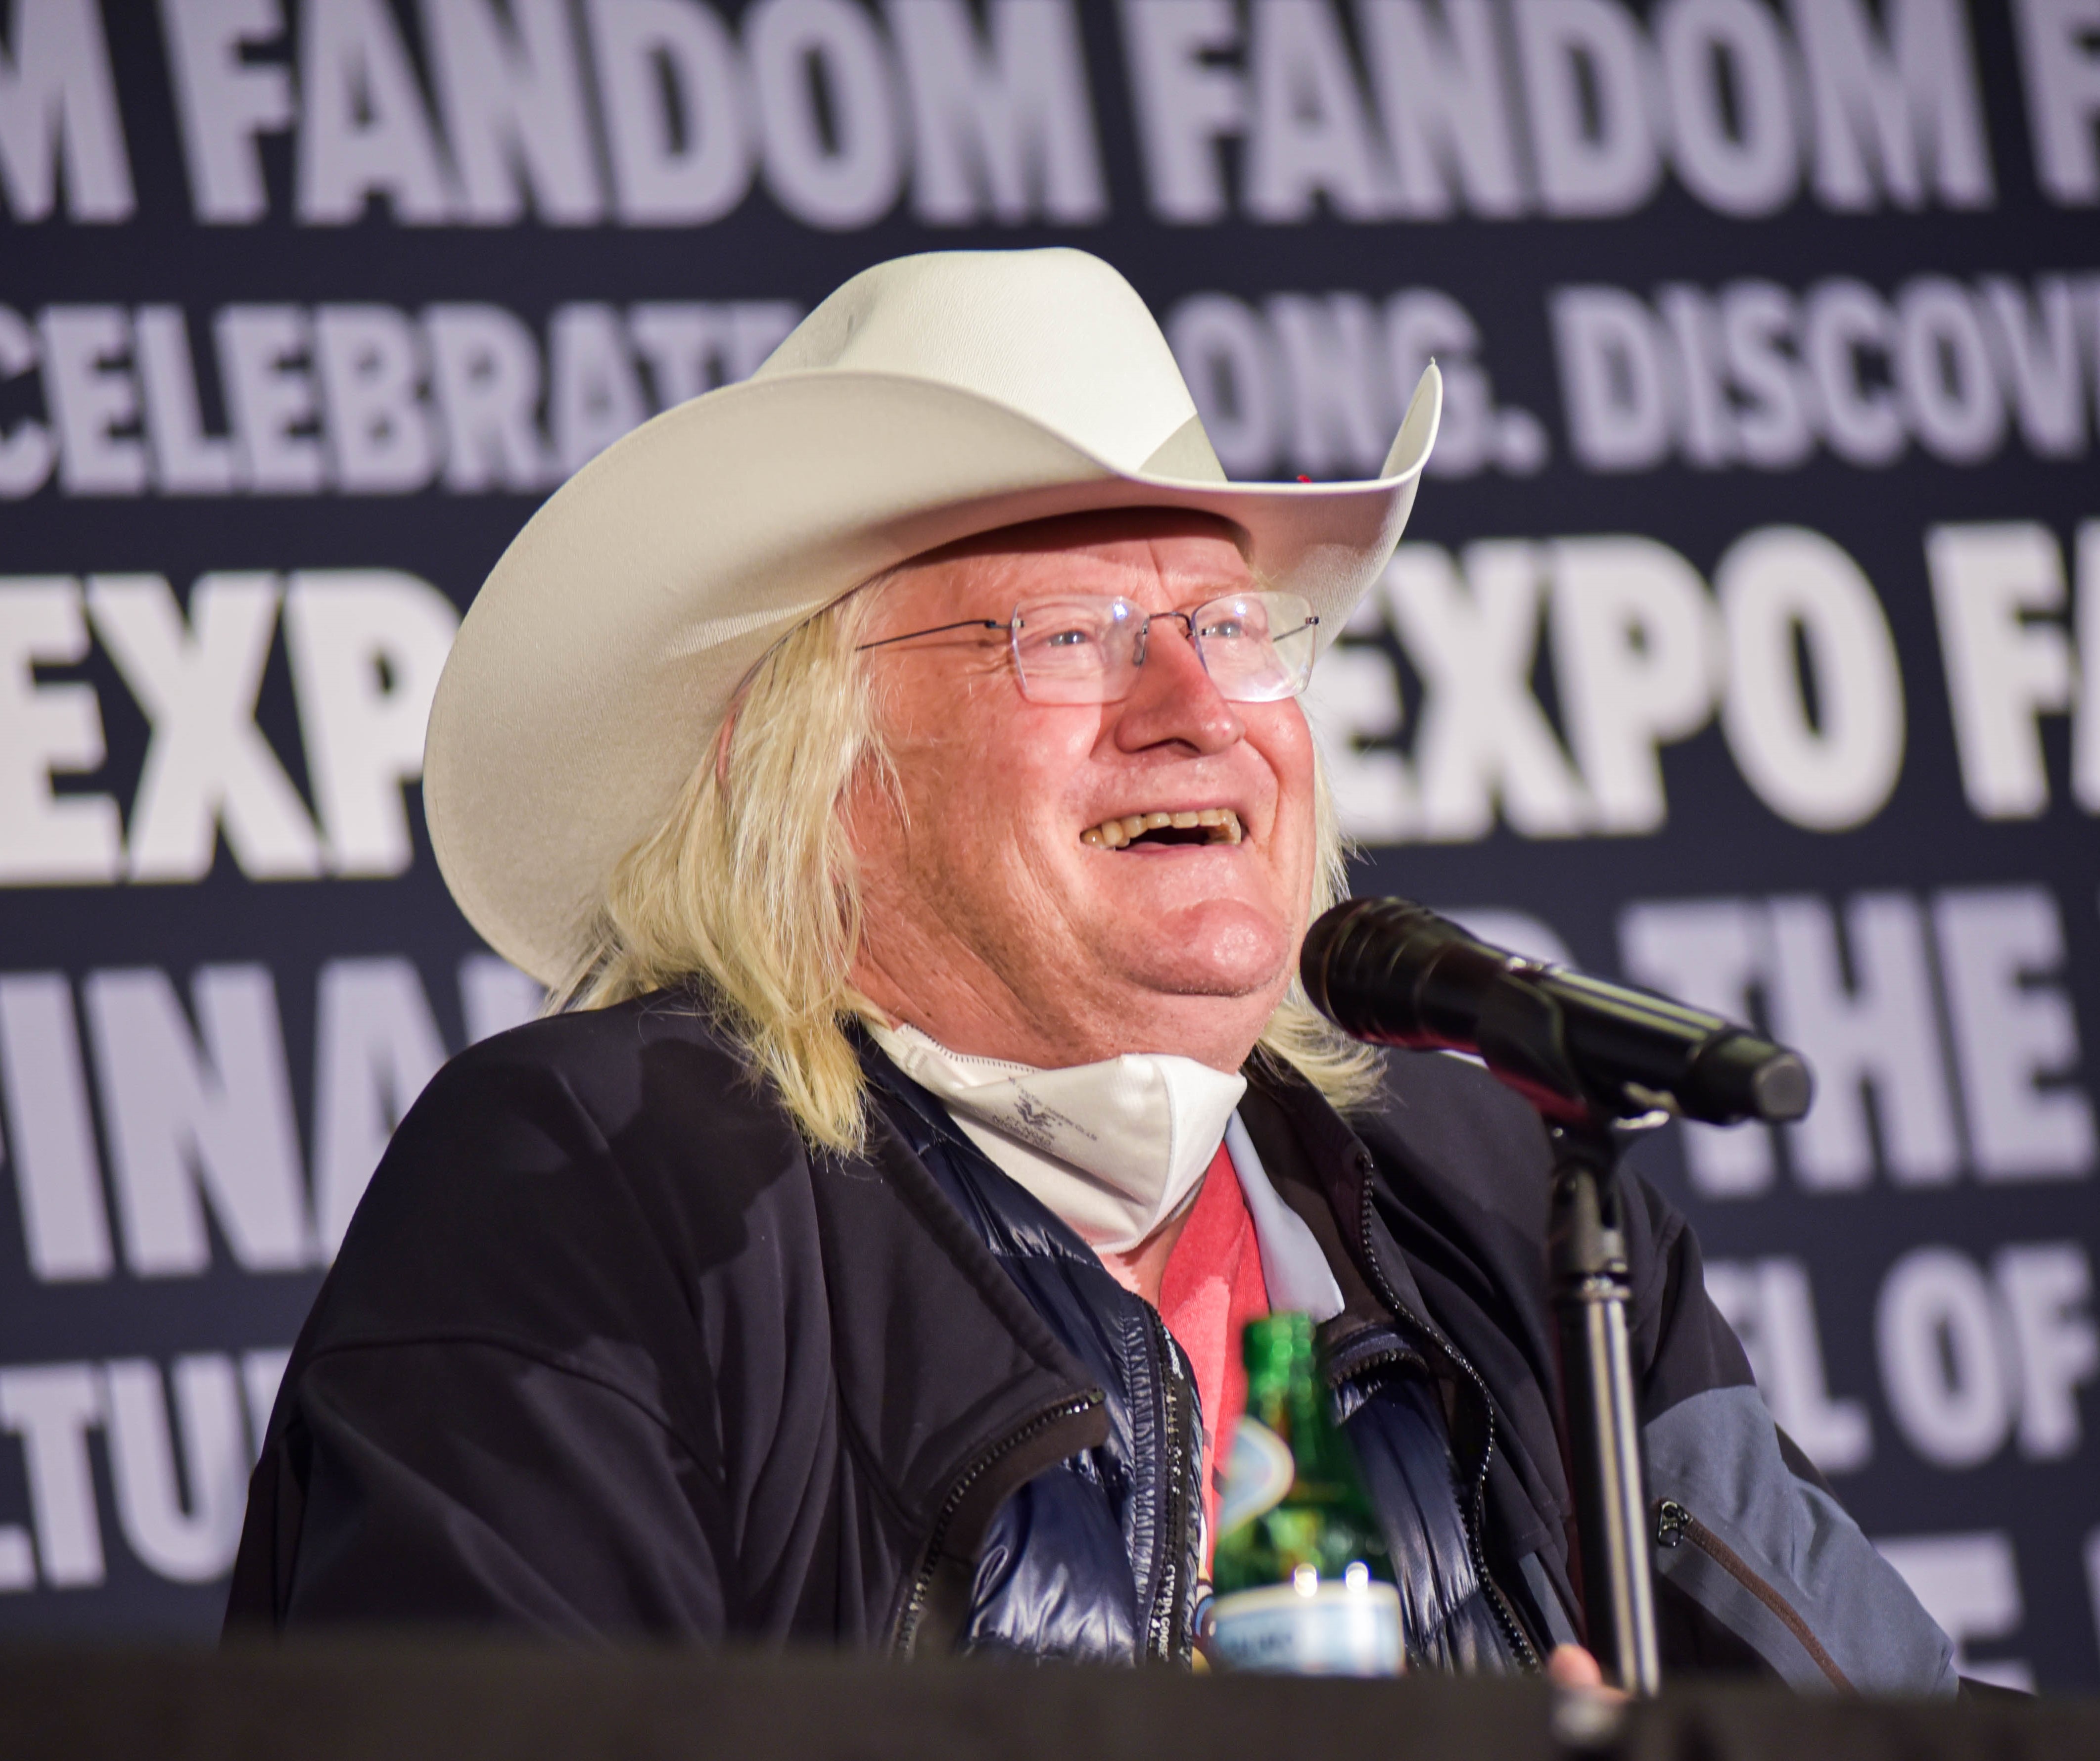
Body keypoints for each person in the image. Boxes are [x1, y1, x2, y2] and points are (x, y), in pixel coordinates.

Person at [226, 249, 1952, 1691]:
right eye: (1068, 640)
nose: (1195, 708)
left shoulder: (1508, 1203)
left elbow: (1912, 1724)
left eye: (1226, 629)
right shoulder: (603, 1182)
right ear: (821, 778)